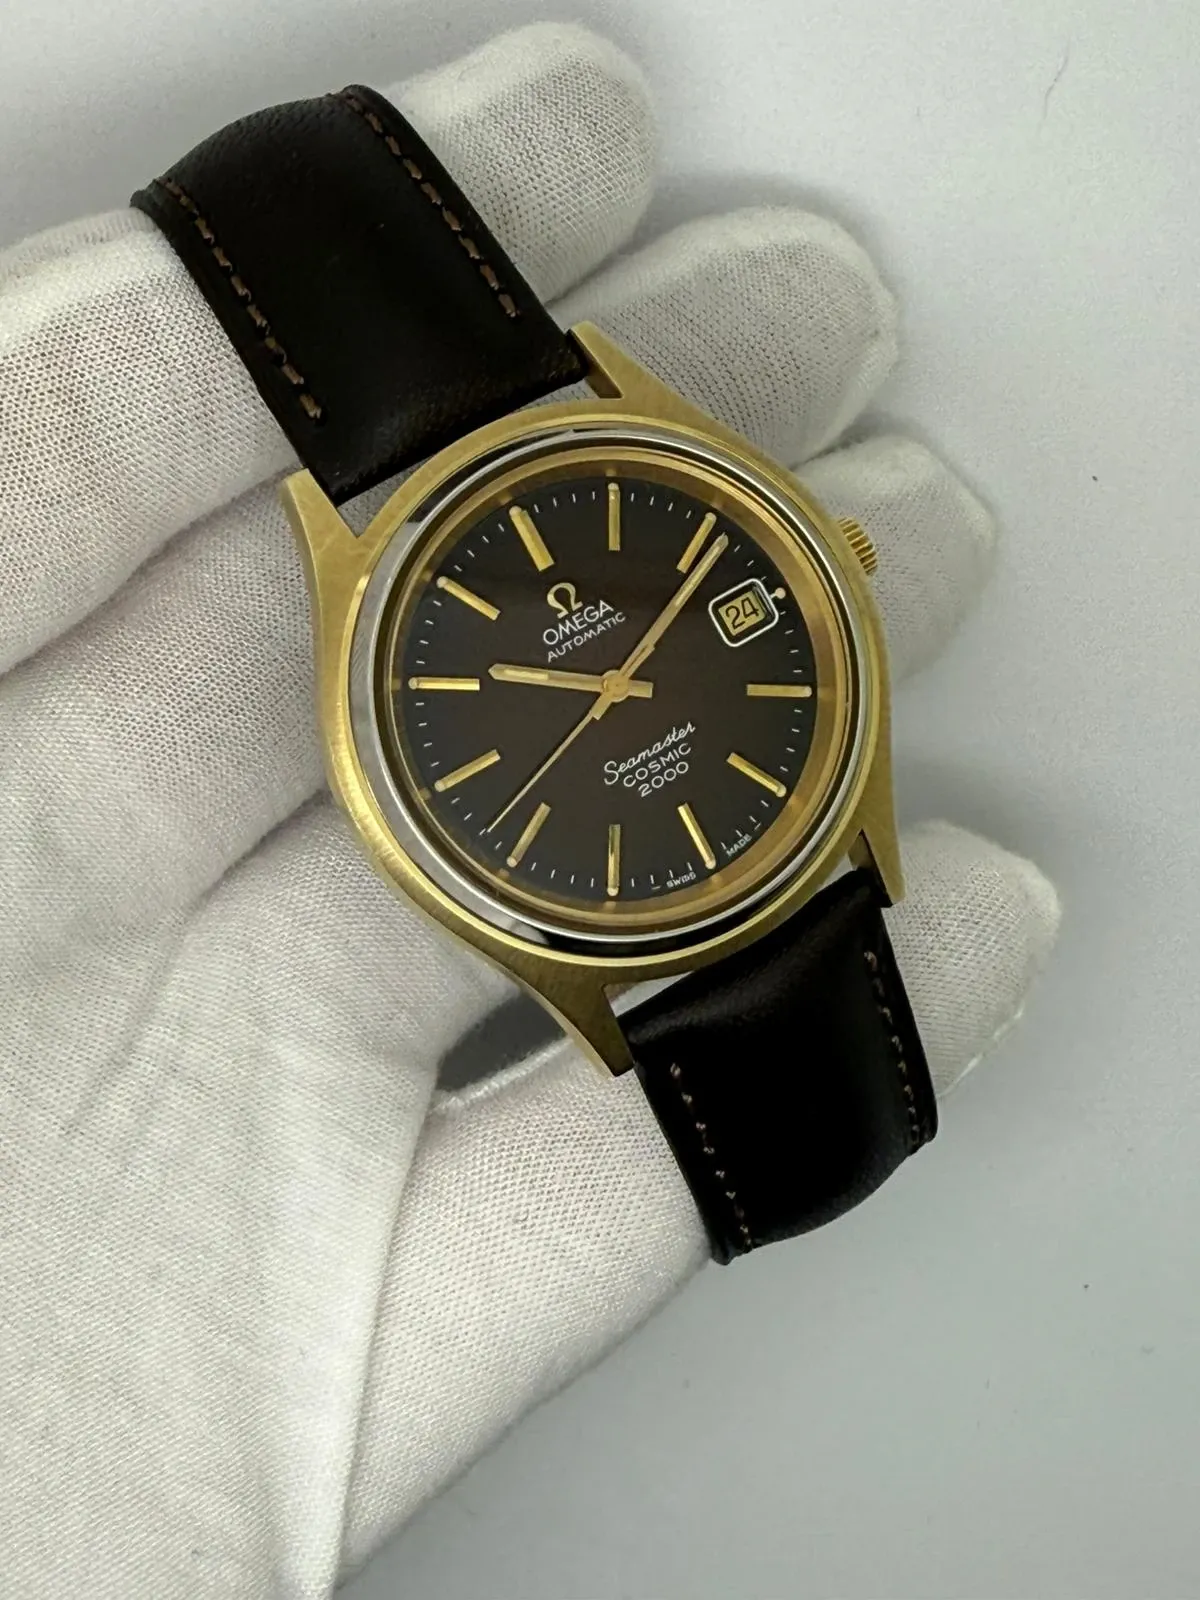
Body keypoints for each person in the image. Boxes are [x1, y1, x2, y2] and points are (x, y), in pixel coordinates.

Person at [0, 23, 1059, 1595]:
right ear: (386, 779)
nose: (617, 691)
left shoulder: (705, 595)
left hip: (740, 796)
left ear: (823, 557)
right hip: (627, 825)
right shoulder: (401, 722)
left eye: (619, 679)